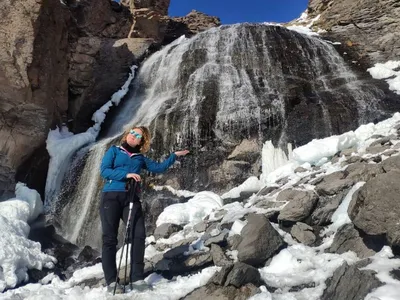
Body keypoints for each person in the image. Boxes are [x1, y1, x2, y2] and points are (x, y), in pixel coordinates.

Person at [99, 126, 189, 294]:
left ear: (142, 141)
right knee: (110, 239)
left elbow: (159, 168)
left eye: (138, 135)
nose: (133, 136)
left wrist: (174, 156)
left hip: (131, 198)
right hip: (111, 197)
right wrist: (126, 175)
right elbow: (104, 171)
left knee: (138, 235)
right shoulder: (114, 151)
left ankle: (137, 277)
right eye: (132, 133)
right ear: (127, 135)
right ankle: (111, 281)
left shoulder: (140, 158)